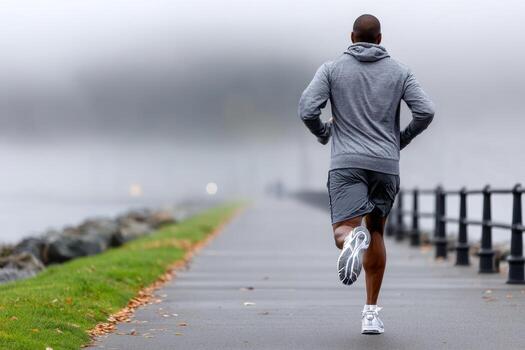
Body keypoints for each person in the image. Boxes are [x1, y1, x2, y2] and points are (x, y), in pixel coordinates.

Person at [298, 14, 434, 334]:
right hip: (386, 165)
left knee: (343, 231)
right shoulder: (401, 71)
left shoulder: (331, 70)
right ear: (380, 39)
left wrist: (322, 133)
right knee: (376, 233)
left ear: (351, 36)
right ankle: (371, 314)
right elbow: (425, 111)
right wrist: (401, 139)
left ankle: (350, 239)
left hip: (347, 164)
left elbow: (307, 109)